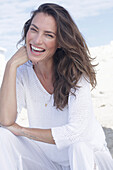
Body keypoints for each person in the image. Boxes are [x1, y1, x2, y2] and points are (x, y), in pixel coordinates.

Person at [0, 3, 113, 170]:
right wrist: (10, 66)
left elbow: (74, 134)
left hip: (89, 160)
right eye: (34, 29)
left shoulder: (76, 73)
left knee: (78, 147)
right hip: (49, 162)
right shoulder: (22, 72)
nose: (37, 40)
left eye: (48, 35)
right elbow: (5, 121)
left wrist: (23, 130)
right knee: (4, 136)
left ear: (60, 42)